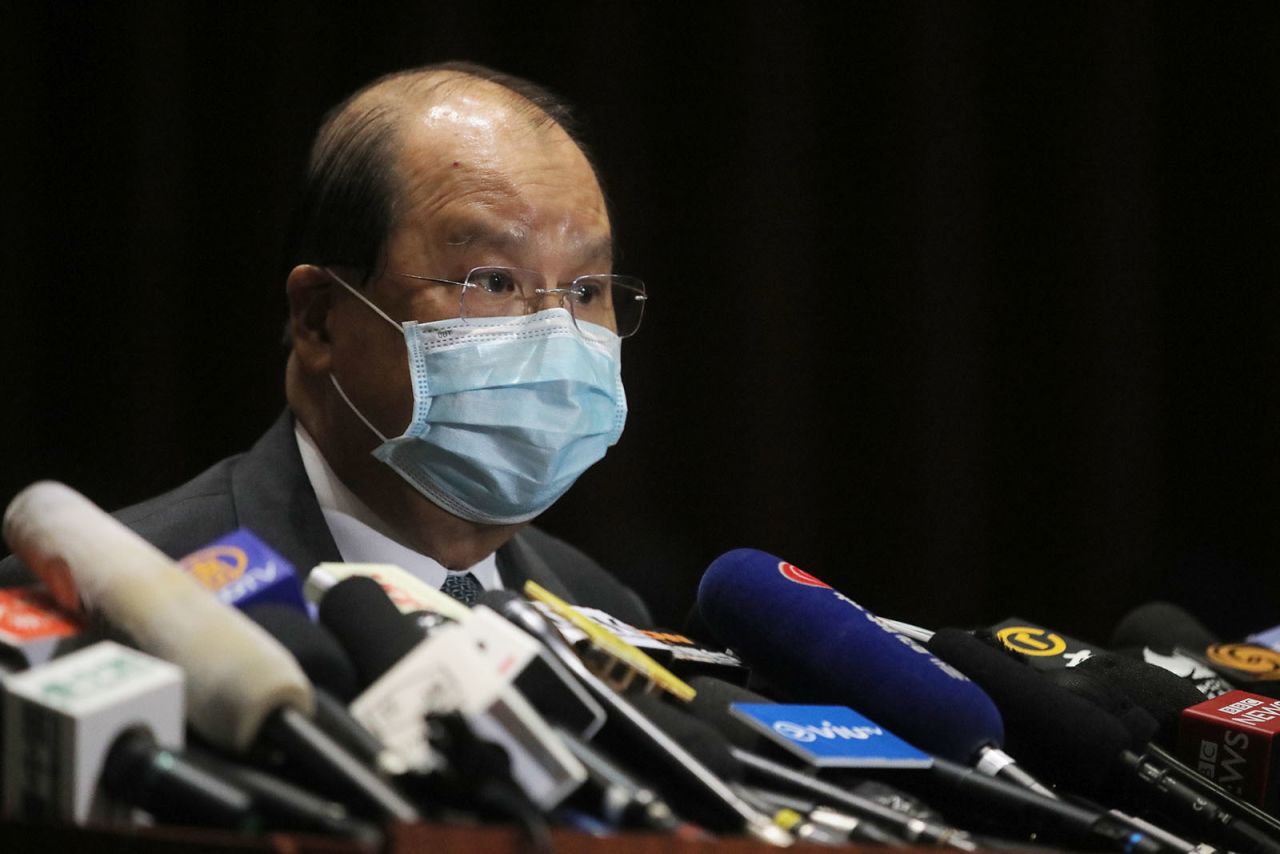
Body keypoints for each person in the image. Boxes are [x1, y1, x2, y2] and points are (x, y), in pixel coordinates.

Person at [0, 61, 651, 625]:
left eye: (587, 291)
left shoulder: (606, 610)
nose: (554, 334)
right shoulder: (104, 601)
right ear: (319, 318)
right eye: (494, 281)